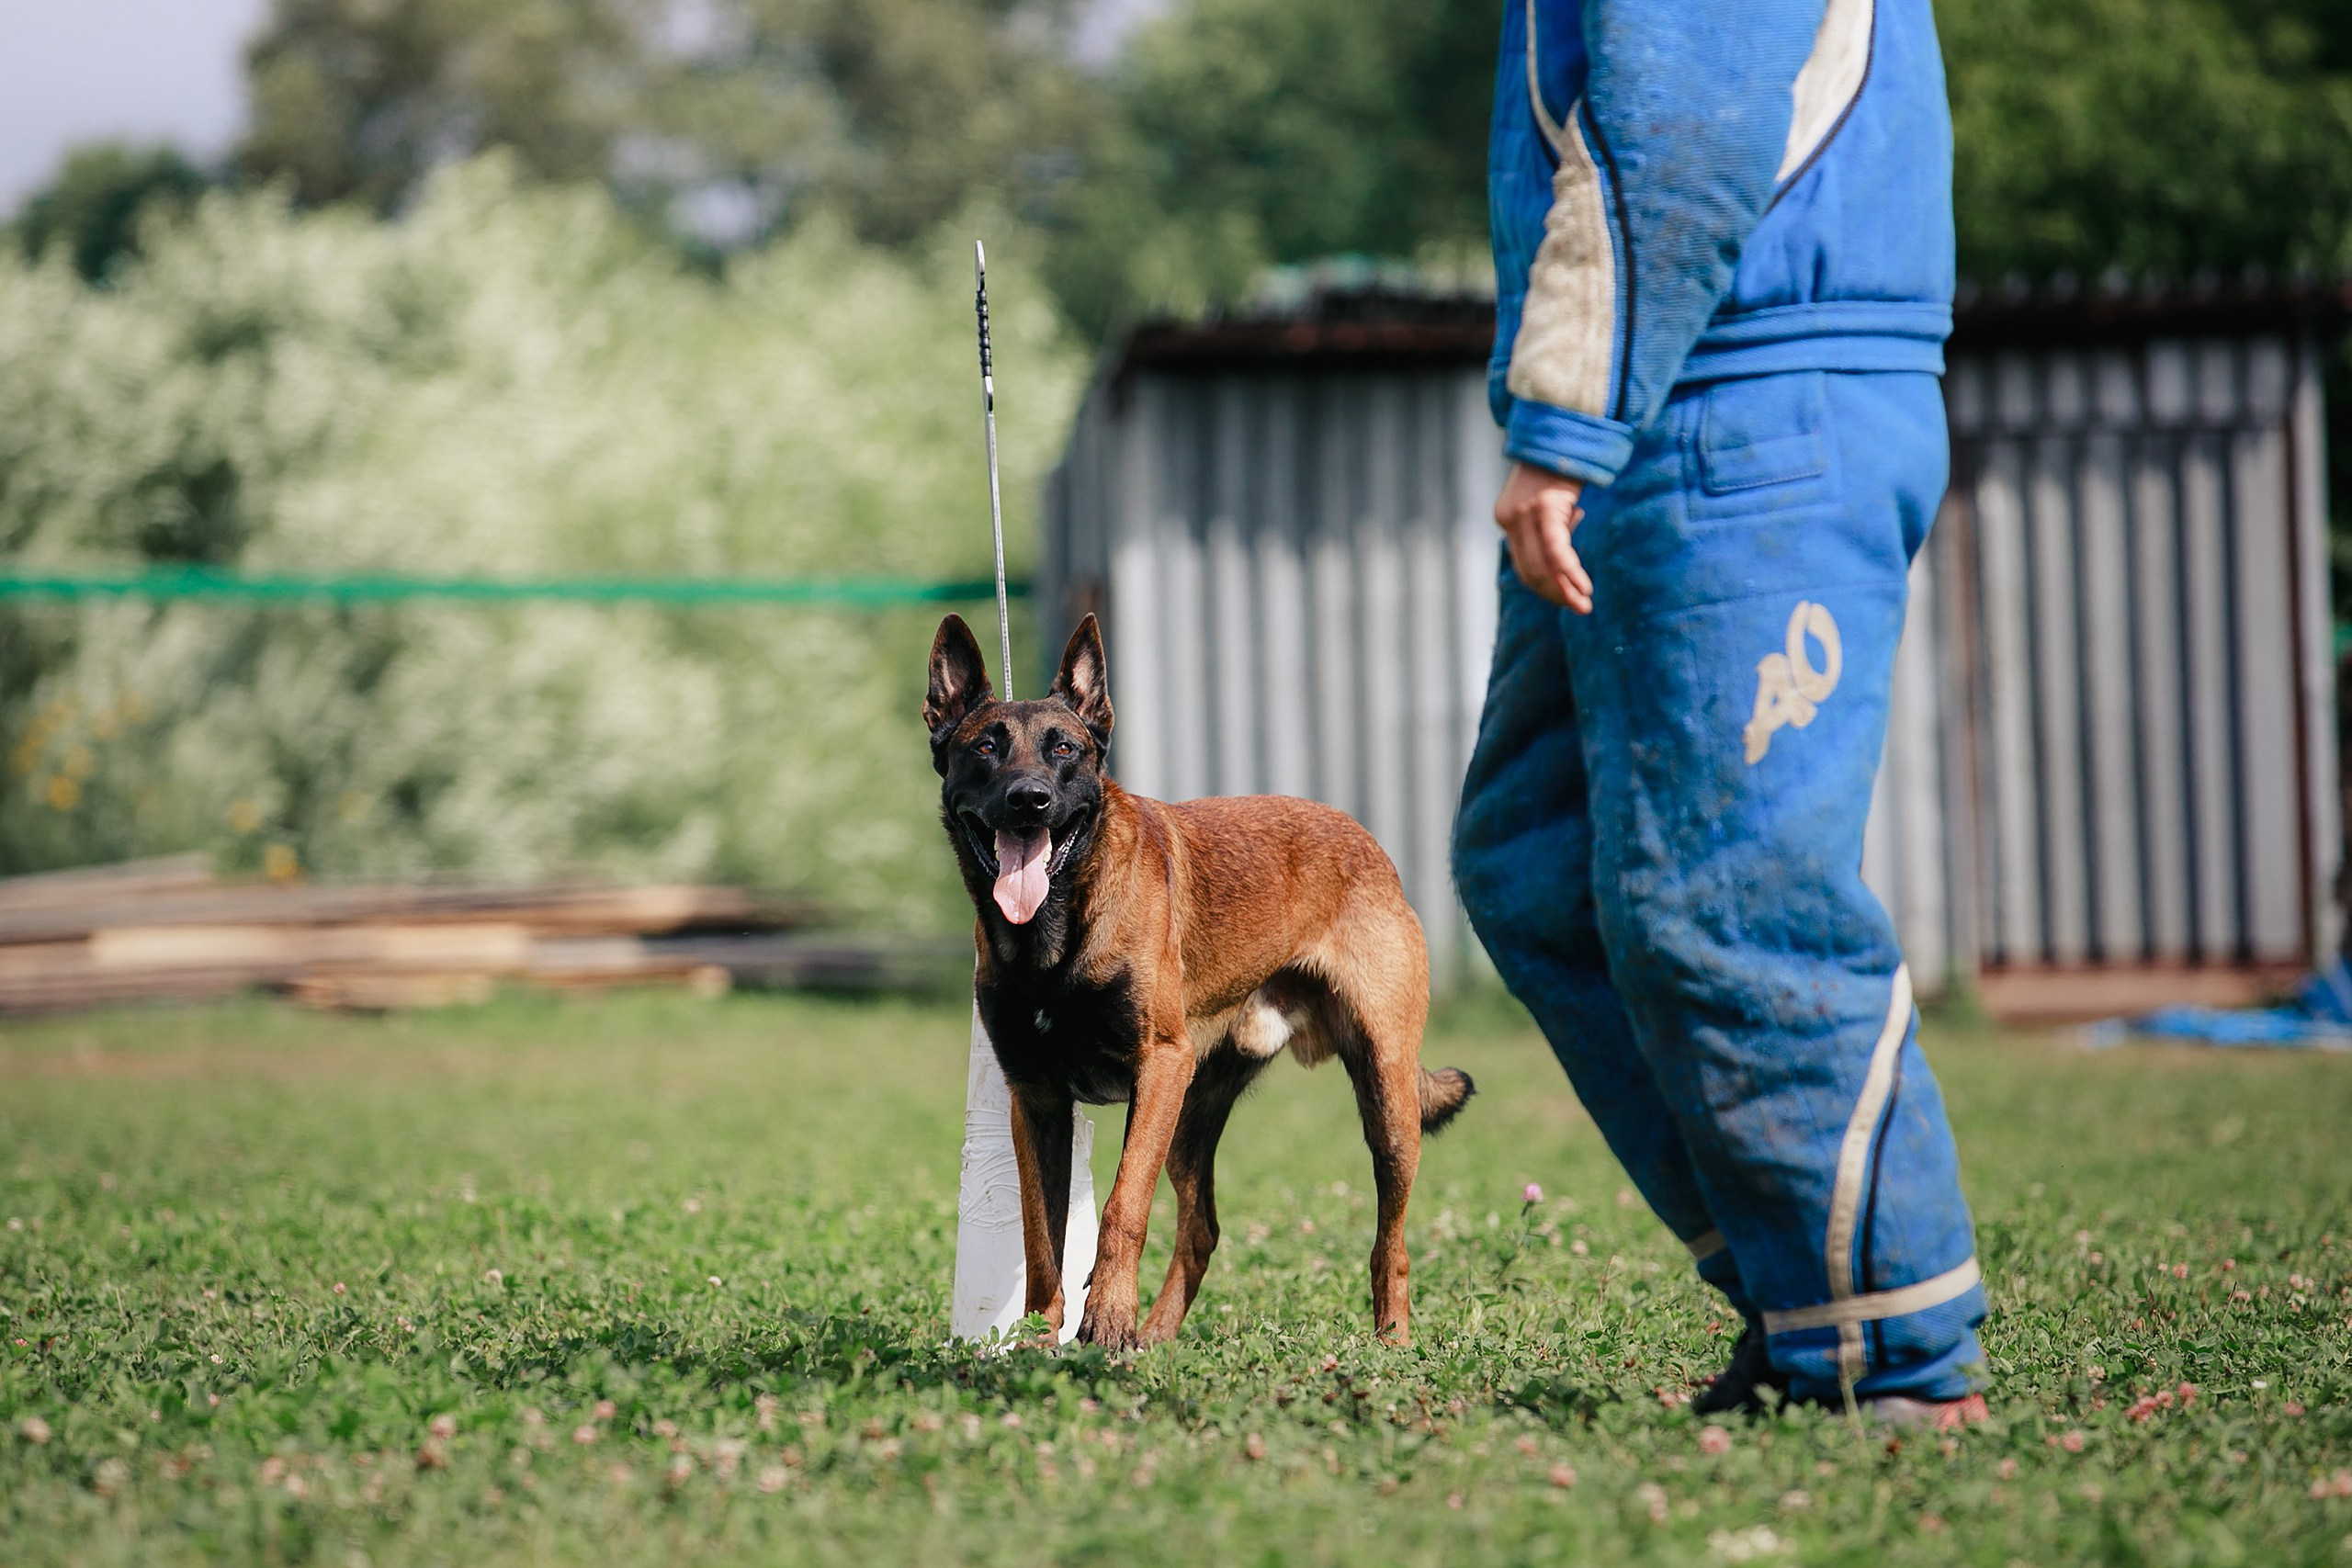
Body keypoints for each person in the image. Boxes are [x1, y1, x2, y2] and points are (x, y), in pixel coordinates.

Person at [1453, 0, 1988, 1424]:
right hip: (1670, 402)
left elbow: (1682, 125)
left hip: (1748, 396)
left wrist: (1564, 419)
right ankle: (1801, 1291)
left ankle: (1893, 1359)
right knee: (1537, 864)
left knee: (1729, 895)